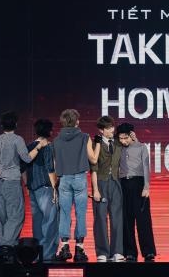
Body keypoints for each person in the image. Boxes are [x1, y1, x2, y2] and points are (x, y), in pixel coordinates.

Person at [0, 111, 45, 262]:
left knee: (1, 216)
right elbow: (26, 159)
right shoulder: (17, 139)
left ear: (2, 125)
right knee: (16, 216)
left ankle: (4, 246)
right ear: (15, 124)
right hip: (12, 183)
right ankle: (7, 246)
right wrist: (38, 147)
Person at [52, 108, 98, 263]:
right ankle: (79, 249)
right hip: (79, 178)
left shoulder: (56, 140)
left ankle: (64, 247)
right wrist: (98, 145)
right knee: (80, 213)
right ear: (77, 121)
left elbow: (55, 164)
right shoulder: (85, 137)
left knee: (64, 213)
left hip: (64, 178)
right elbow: (93, 159)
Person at [117, 122, 156, 262]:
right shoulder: (118, 148)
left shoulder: (141, 147)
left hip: (139, 184)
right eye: (120, 138)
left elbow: (146, 167)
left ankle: (148, 251)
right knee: (126, 220)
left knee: (143, 220)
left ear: (132, 135)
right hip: (123, 184)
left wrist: (146, 187)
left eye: (125, 138)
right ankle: (130, 252)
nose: (123, 141)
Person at [23, 118, 59, 262]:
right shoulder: (48, 147)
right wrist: (55, 188)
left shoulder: (29, 146)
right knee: (50, 222)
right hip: (46, 187)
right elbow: (50, 169)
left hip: (33, 189)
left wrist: (27, 185)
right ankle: (47, 255)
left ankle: (37, 254)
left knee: (37, 223)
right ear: (48, 131)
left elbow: (23, 168)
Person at [91, 115, 125, 262]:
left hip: (116, 183)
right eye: (108, 128)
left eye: (112, 127)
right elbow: (93, 169)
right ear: (101, 130)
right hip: (101, 183)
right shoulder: (95, 145)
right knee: (100, 218)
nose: (112, 130)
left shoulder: (118, 142)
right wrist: (95, 190)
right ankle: (102, 252)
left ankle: (117, 251)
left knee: (117, 217)